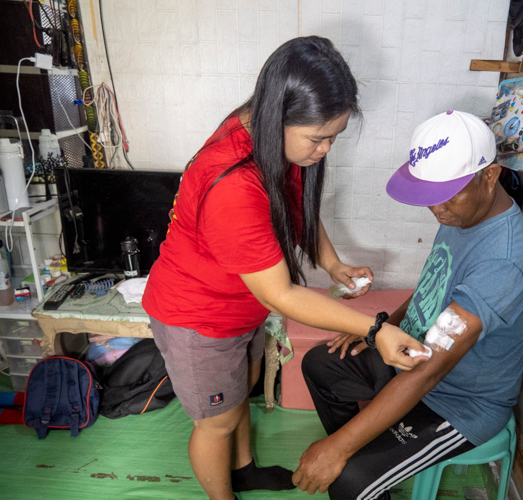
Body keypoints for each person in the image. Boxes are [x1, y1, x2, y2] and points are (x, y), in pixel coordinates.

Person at [142, 36, 427, 500]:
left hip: (241, 309)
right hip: (199, 318)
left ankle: (245, 470)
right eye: (319, 138)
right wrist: (376, 330)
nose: (327, 149)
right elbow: (282, 295)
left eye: (334, 136)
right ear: (279, 116)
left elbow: (294, 209)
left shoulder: (268, 137)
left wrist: (332, 263)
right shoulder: (234, 183)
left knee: (241, 397)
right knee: (216, 422)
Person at [294, 110, 523, 499]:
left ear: (490, 176)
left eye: (445, 197)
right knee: (321, 364)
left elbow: (429, 373)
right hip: (415, 358)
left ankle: (361, 466)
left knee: (348, 481)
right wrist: (381, 329)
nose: (437, 210)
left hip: (456, 402)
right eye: (430, 198)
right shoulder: (462, 215)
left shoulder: (505, 260)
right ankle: (369, 461)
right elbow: (435, 283)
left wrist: (337, 449)